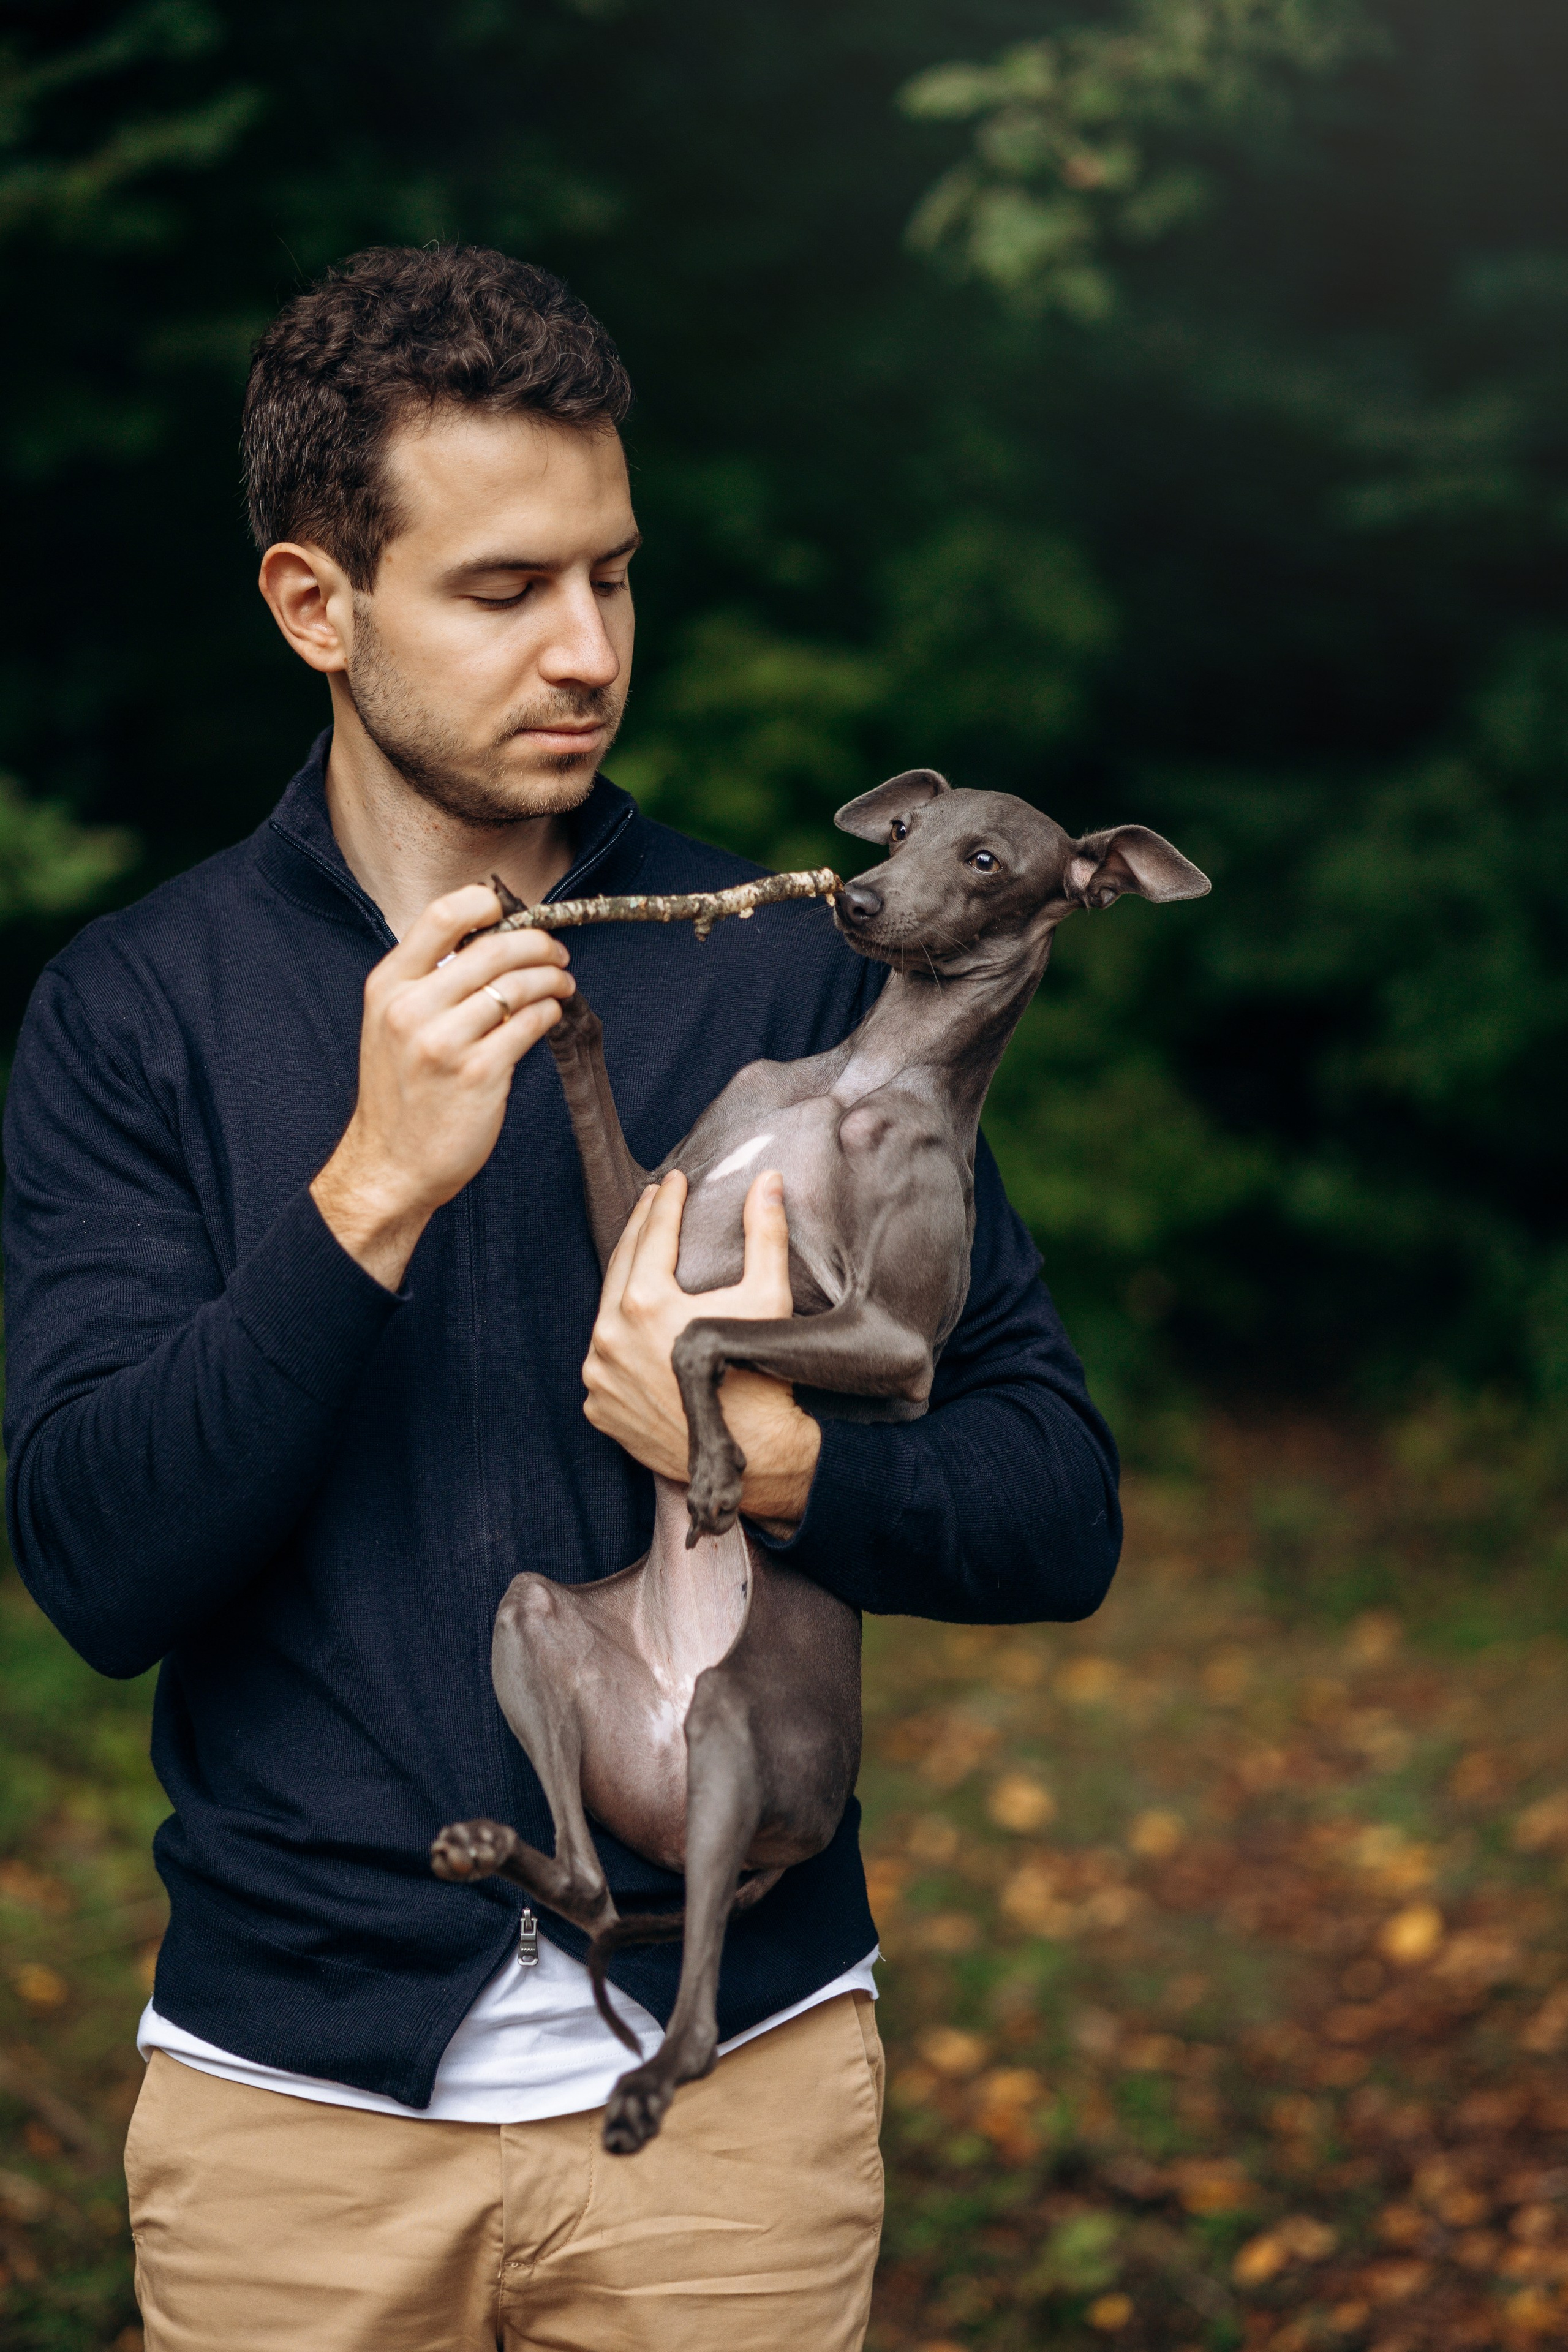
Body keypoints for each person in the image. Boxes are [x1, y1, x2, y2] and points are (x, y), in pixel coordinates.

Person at [1, 245, 1121, 2351]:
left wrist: (786, 1465)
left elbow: (1058, 1507)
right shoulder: (141, 1009)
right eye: (505, 590)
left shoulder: (791, 974)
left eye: (613, 575)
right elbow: (96, 1565)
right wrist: (366, 1193)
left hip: (740, 2114)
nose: (589, 648)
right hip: (292, 2125)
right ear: (315, 604)